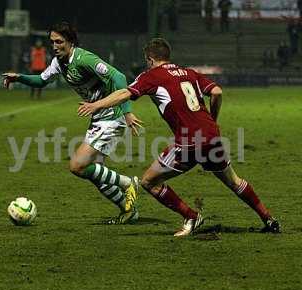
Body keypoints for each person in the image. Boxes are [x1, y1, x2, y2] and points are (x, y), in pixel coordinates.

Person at [78, 38, 280, 236]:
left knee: (149, 182)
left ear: (149, 58)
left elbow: (124, 93)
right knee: (234, 181)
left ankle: (191, 216)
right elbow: (217, 92)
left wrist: (96, 105)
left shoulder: (152, 75)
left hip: (189, 140)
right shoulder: (189, 73)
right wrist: (212, 119)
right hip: (211, 135)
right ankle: (268, 218)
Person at [3, 22, 144, 224]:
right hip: (100, 117)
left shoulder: (84, 58)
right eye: (52, 42)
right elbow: (41, 80)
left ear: (70, 41)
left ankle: (129, 183)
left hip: (111, 114)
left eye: (59, 41)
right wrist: (19, 78)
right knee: (96, 172)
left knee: (77, 165)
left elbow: (119, 77)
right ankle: (129, 211)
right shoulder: (58, 62)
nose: (54, 46)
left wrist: (127, 112)